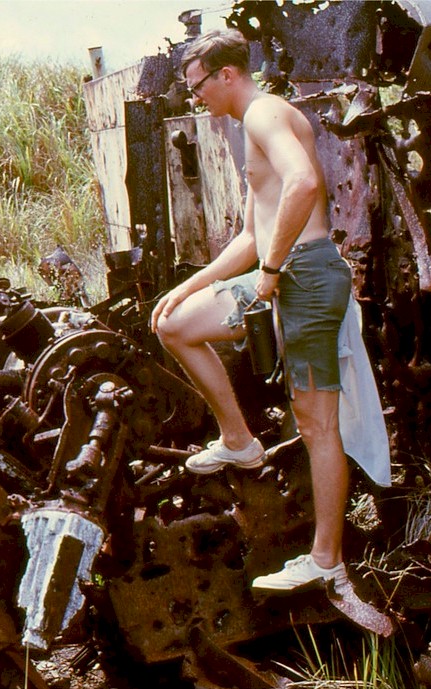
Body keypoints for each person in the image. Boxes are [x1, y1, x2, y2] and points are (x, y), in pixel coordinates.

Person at [150, 28, 357, 592]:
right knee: (175, 323)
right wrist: (188, 286)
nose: (195, 98)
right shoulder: (246, 129)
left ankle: (326, 560)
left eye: (197, 86)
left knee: (317, 425)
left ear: (227, 75)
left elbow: (304, 183)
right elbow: (250, 235)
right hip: (284, 273)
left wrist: (269, 273)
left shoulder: (265, 114)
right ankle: (239, 441)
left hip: (307, 277)